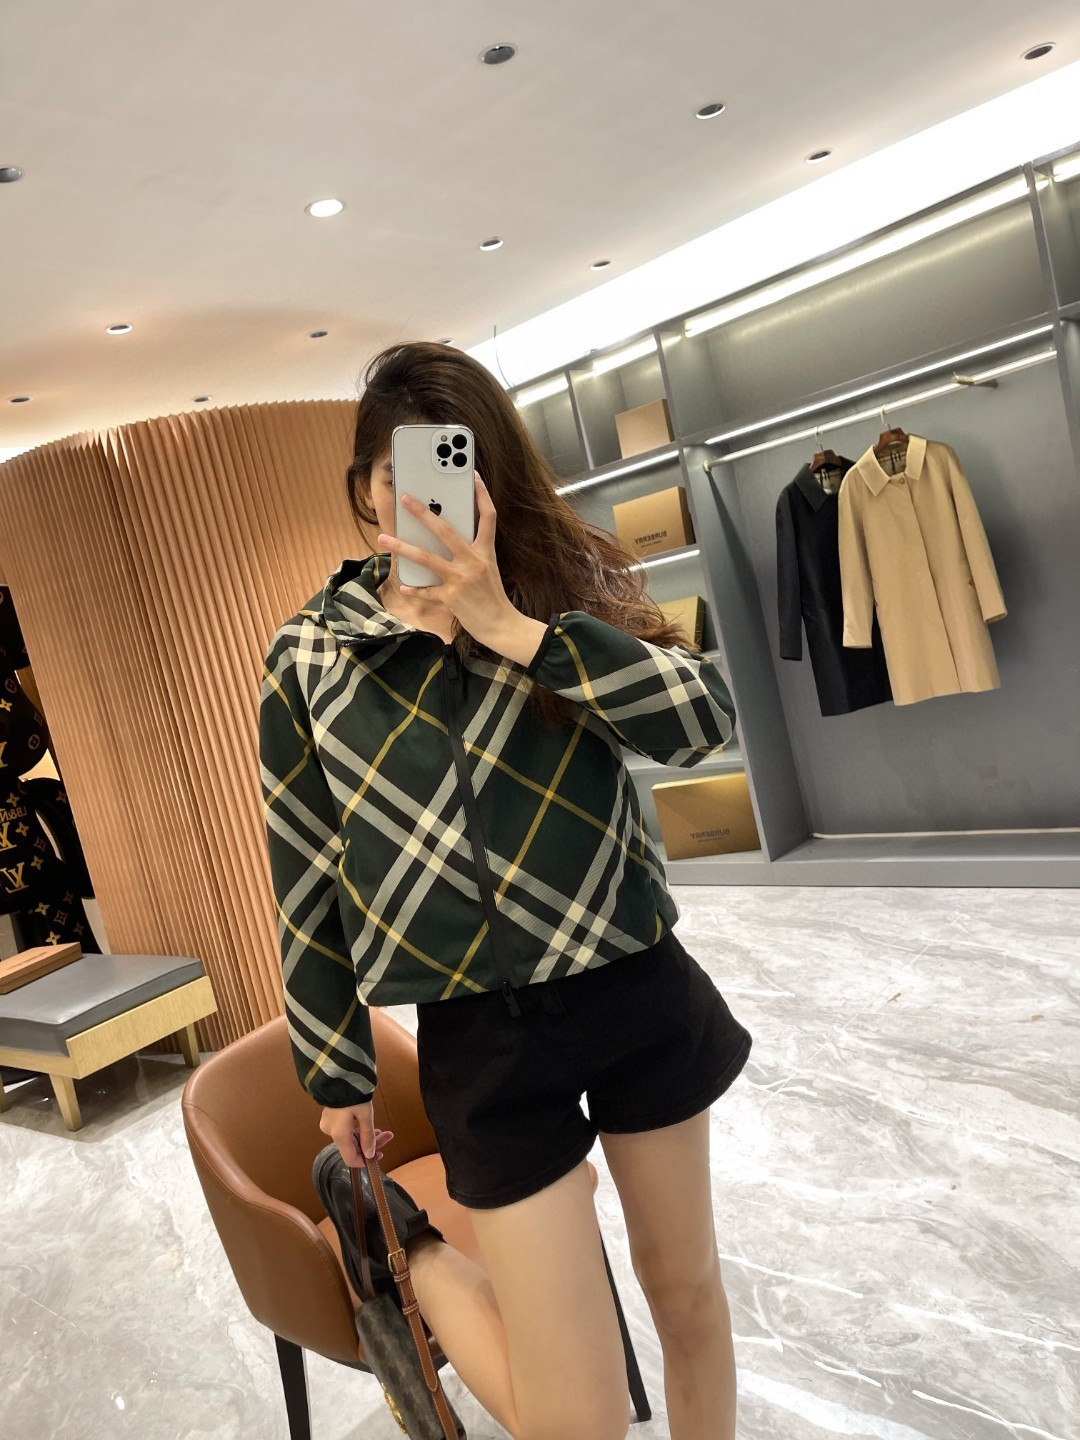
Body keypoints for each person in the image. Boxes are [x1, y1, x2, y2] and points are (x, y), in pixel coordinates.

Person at [259, 340, 753, 1440]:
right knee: (574, 1420)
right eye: (401, 473)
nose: (430, 497)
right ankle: (409, 1247)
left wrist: (514, 630)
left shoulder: (559, 598)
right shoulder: (311, 656)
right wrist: (335, 1065)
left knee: (686, 1297)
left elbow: (703, 723)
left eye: (458, 467)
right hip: (482, 1039)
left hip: (633, 988)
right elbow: (304, 869)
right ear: (364, 489)